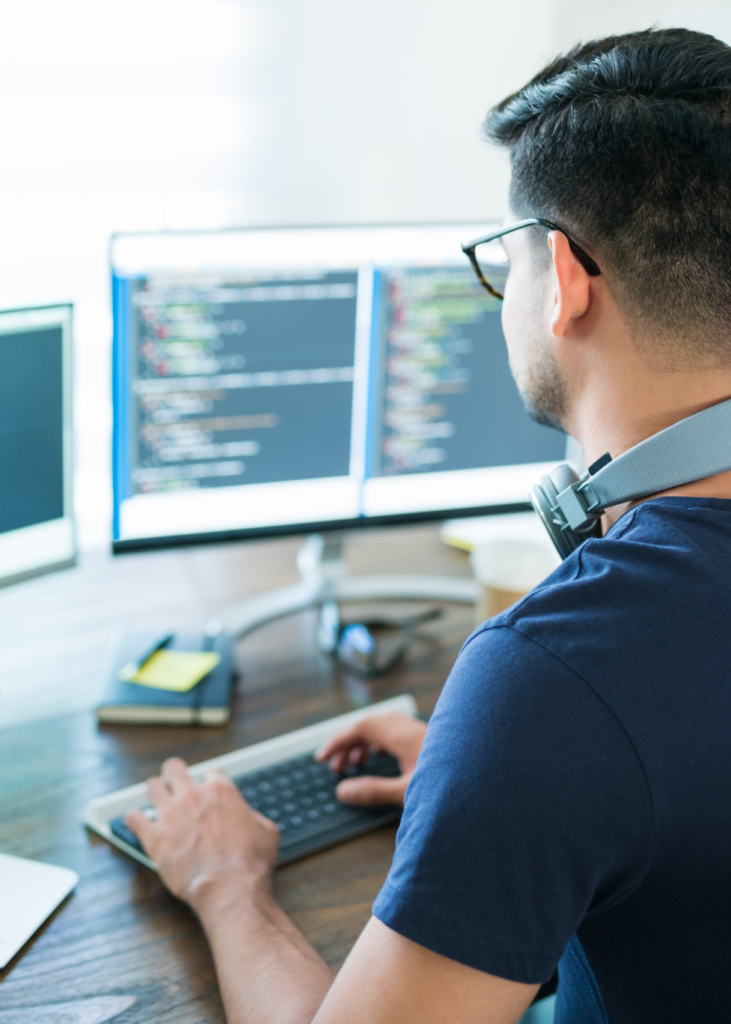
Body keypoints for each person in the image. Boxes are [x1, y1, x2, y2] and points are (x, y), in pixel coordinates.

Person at [125, 28, 731, 1024]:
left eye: (509, 262)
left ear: (567, 282)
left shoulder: (559, 679)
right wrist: (497, 786)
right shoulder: (558, 714)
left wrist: (227, 883)